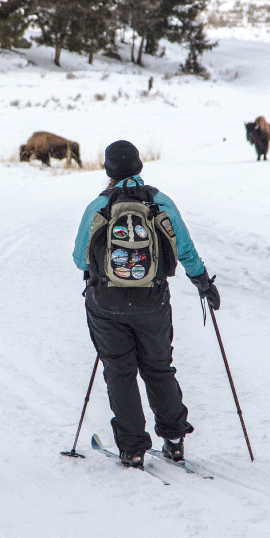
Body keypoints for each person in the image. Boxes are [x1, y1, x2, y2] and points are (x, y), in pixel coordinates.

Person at [73, 140, 220, 470]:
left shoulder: (99, 205)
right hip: (153, 302)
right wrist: (203, 282)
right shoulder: (160, 202)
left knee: (119, 371)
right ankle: (174, 441)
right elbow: (185, 250)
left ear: (109, 171)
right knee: (158, 368)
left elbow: (77, 257)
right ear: (139, 167)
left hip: (106, 303)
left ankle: (133, 450)